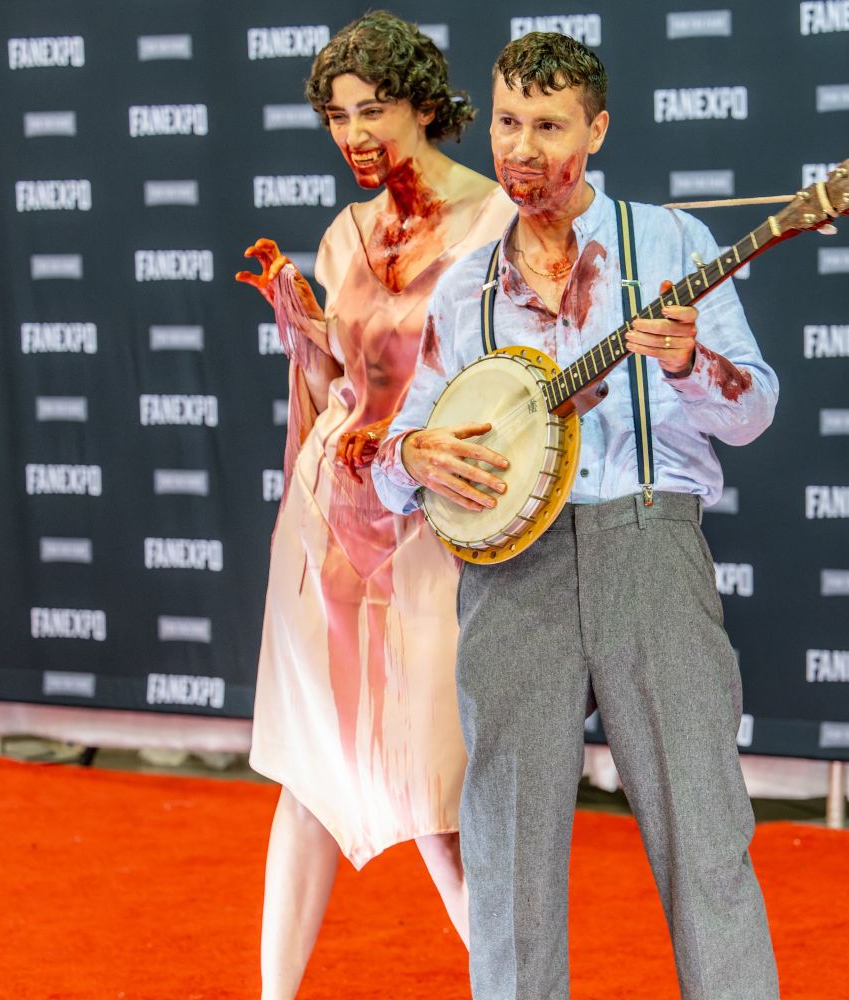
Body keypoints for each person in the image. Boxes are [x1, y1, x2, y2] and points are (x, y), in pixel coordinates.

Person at [372, 32, 781, 1000]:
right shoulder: (465, 288)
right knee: (507, 848)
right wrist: (414, 455)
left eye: (549, 127)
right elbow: (398, 460)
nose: (521, 149)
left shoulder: (671, 245)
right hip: (511, 575)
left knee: (704, 828)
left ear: (596, 131)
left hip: (650, 543)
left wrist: (689, 362)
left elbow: (754, 410)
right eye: (507, 123)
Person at [234, 12, 512, 999]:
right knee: (307, 777)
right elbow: (339, 393)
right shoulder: (341, 234)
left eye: (374, 109)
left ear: (425, 107)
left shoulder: (494, 222)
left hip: (432, 530)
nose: (353, 134)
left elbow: (507, 388)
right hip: (329, 526)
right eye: (337, 115)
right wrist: (307, 339)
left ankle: (514, 985)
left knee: (439, 802)